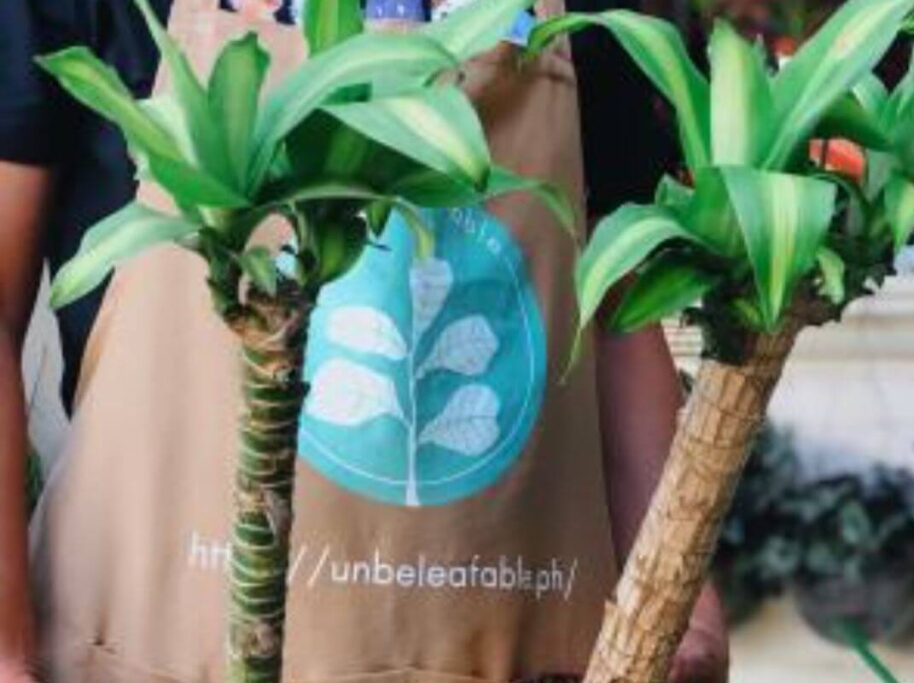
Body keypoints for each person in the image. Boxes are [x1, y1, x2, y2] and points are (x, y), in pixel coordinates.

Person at [0, 1, 727, 682]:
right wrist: (6, 648)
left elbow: (616, 317)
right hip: (157, 647)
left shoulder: (586, 18)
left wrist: (683, 603)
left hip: (520, 643)